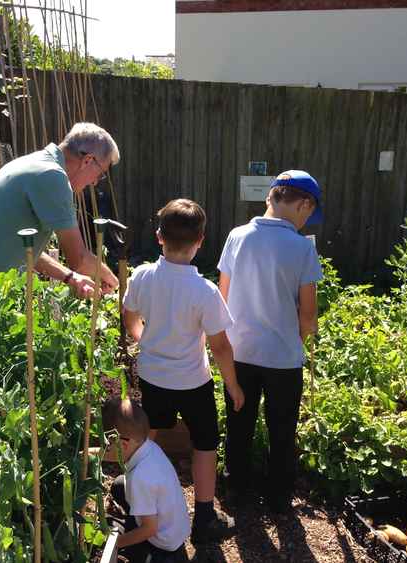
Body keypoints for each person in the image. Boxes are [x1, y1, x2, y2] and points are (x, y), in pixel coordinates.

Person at [123, 199, 244, 544]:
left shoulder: (142, 276)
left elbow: (129, 314)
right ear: (201, 240)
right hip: (194, 382)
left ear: (159, 236)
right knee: (205, 444)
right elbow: (220, 346)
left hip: (153, 378)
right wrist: (233, 385)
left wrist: (141, 337)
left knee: (152, 435)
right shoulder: (204, 291)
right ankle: (204, 518)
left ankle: (139, 499)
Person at [217, 170, 323, 513]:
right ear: (303, 204)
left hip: (240, 352)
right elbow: (308, 315)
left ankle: (236, 490)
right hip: (282, 358)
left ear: (271, 198)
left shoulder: (237, 236)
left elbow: (223, 295)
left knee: (239, 423)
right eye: (308, 213)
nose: (306, 221)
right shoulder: (301, 248)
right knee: (281, 428)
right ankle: (278, 497)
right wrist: (304, 339)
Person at [0, 122, 120, 297]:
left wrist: (70, 277)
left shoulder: (34, 163)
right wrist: (111, 278)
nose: (95, 182)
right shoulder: (52, 176)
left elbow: (24, 250)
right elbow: (78, 259)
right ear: (88, 160)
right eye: (101, 173)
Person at [104, 398, 190, 563]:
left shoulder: (140, 478)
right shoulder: (148, 446)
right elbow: (115, 454)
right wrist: (91, 454)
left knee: (130, 546)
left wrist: (115, 544)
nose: (105, 450)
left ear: (122, 445)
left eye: (107, 446)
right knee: (120, 485)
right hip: (175, 526)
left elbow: (149, 530)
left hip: (162, 544)